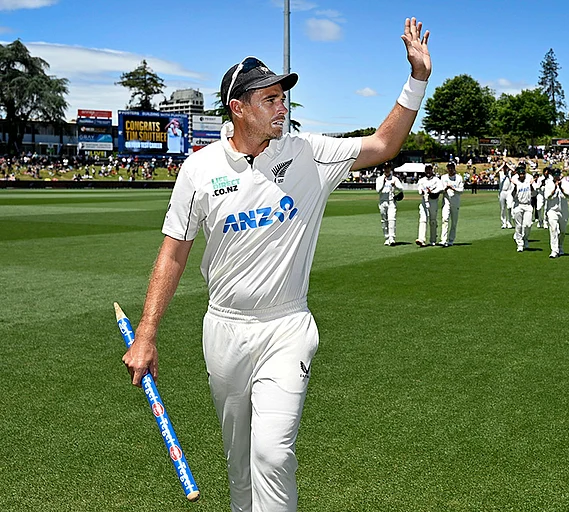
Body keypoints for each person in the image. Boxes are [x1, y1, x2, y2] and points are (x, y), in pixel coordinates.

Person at [121, 17, 431, 512]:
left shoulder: (309, 153)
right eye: (270, 98)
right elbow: (173, 253)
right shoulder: (199, 169)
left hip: (287, 326)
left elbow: (383, 145)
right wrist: (147, 332)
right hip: (223, 329)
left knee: (272, 453)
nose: (282, 106)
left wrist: (416, 78)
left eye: (283, 96)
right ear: (237, 108)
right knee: (240, 460)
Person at [375, 161, 404, 245]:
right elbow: (378, 190)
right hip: (382, 202)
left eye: (388, 168)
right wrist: (383, 183)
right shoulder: (379, 179)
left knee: (391, 219)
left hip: (391, 202)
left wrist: (395, 185)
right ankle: (386, 237)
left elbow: (401, 189)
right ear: (383, 169)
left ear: (390, 169)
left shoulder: (395, 179)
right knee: (384, 220)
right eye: (385, 168)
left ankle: (392, 238)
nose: (387, 170)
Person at [545, 167, 569, 258]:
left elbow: (568, 195)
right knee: (553, 229)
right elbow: (547, 196)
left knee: (562, 231)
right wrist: (555, 188)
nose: (556, 176)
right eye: (555, 175)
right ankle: (554, 250)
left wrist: (561, 188)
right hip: (552, 210)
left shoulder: (565, 183)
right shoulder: (548, 183)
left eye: (558, 174)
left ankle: (560, 247)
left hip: (563, 211)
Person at [416, 163, 443, 246]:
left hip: (433, 201)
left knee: (433, 220)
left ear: (432, 170)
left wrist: (433, 192)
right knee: (423, 220)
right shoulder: (421, 180)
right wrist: (422, 192)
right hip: (424, 202)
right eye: (427, 169)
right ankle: (421, 239)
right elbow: (419, 189)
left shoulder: (436, 180)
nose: (428, 171)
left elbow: (440, 188)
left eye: (429, 169)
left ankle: (433, 239)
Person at [509, 162, 534, 252]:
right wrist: (515, 187)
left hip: (527, 204)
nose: (522, 175)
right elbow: (512, 194)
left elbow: (534, 192)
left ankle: (525, 238)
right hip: (518, 204)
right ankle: (519, 243)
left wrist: (531, 185)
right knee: (518, 225)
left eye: (523, 173)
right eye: (520, 173)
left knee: (527, 225)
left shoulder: (529, 178)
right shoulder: (514, 179)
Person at [440, 160, 464, 246]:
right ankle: (443, 239)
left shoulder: (459, 178)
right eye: (449, 168)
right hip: (446, 201)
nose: (450, 169)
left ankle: (451, 240)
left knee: (454, 222)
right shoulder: (443, 178)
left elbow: (461, 190)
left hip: (455, 202)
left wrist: (453, 188)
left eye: (451, 168)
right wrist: (445, 189)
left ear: (454, 168)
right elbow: (441, 190)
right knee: (445, 219)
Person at [498, 162, 513, 229]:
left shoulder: (509, 173)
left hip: (509, 192)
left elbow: (514, 170)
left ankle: (509, 222)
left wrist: (507, 165)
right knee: (503, 208)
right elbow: (495, 172)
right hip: (502, 192)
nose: (505, 169)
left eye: (505, 168)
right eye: (504, 168)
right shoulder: (500, 173)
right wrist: (502, 166)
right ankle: (503, 223)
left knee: (509, 207)